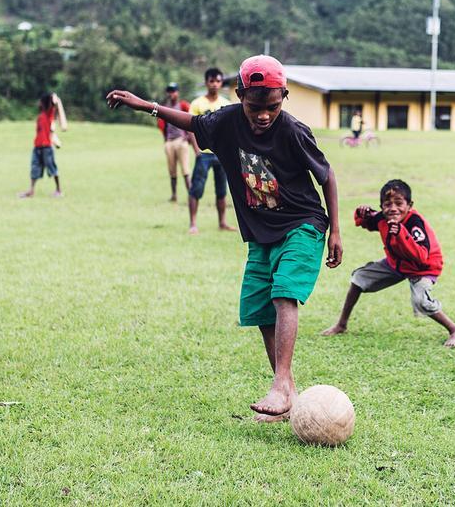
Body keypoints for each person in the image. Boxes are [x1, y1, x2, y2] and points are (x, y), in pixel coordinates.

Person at [107, 55, 343, 421]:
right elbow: (193, 122)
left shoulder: (293, 131)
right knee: (261, 308)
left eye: (273, 107)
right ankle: (288, 389)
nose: (264, 116)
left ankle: (280, 384)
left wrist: (336, 232)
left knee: (283, 293)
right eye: (255, 108)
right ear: (240, 96)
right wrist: (147, 106)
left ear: (284, 96)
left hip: (303, 222)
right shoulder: (228, 120)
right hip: (261, 232)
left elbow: (326, 175)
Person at [322, 179, 455, 347]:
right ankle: (341, 324)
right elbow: (367, 222)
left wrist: (401, 234)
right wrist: (362, 213)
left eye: (399, 203)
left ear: (409, 205)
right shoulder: (383, 217)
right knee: (359, 278)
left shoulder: (414, 223)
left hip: (422, 268)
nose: (393, 208)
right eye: (387, 204)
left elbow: (421, 255)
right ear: (382, 206)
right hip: (396, 263)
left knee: (420, 302)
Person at [189, 68, 235, 234]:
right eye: (211, 81)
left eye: (218, 81)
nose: (215, 84)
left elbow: (231, 130)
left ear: (221, 83)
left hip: (221, 154)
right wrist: (196, 150)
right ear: (206, 82)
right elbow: (190, 128)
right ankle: (193, 224)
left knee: (221, 190)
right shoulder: (197, 104)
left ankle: (222, 222)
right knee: (197, 188)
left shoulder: (226, 104)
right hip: (204, 155)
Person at [19, 92, 66, 198]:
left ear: (45, 103)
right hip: (37, 147)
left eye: (40, 101)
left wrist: (54, 98)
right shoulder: (41, 116)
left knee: (52, 168)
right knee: (34, 168)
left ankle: (58, 190)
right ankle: (31, 191)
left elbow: (54, 103)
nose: (38, 103)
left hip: (47, 148)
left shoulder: (49, 113)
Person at [159, 82, 191, 202]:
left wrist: (188, 136)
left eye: (173, 91)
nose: (171, 93)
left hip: (181, 141)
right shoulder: (165, 107)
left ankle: (190, 195)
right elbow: (162, 123)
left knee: (185, 170)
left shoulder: (182, 105)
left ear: (177, 92)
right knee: (172, 171)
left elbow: (192, 118)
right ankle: (174, 195)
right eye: (169, 91)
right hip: (170, 142)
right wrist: (165, 139)